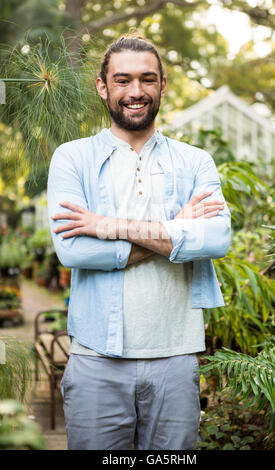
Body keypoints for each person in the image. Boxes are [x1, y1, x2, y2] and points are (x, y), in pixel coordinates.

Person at [47, 34, 231, 451]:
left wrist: (107, 224)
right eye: (123, 79)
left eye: (148, 80)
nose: (136, 92)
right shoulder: (72, 158)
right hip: (97, 360)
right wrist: (175, 230)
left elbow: (216, 238)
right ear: (102, 86)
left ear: (163, 85)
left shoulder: (195, 161)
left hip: (175, 358)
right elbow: (73, 250)